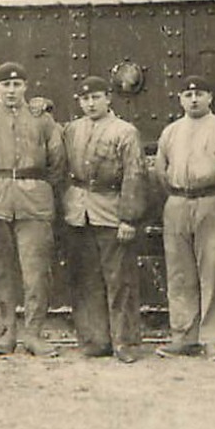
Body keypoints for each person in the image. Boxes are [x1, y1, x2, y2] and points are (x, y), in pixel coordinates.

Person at [0, 62, 66, 357]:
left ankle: (33, 334)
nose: (11, 90)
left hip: (34, 203)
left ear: (26, 87)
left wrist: (35, 187)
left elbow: (57, 164)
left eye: (17, 84)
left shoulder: (43, 120)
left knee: (36, 272)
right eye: (5, 85)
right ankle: (4, 334)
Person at [151, 74, 215, 361]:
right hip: (178, 203)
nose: (194, 98)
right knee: (179, 273)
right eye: (188, 94)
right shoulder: (171, 132)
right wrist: (176, 198)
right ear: (180, 99)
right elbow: (161, 171)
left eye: (200, 93)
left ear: (210, 97)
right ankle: (184, 336)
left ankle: (212, 340)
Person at [61, 75, 146, 364]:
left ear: (109, 98)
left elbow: (134, 175)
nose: (90, 103)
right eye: (85, 99)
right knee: (86, 279)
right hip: (79, 211)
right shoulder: (72, 129)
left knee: (120, 280)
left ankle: (125, 342)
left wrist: (129, 218)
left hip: (111, 212)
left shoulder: (125, 132)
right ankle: (95, 340)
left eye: (96, 97)